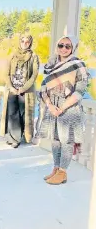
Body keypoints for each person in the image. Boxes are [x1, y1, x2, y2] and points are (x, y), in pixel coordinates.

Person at [39, 35, 89, 185]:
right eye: (61, 45)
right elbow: (43, 88)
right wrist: (49, 105)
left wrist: (61, 107)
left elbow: (80, 91)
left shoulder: (78, 65)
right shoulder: (50, 65)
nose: (64, 49)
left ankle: (63, 172)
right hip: (52, 106)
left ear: (73, 48)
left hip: (69, 108)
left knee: (66, 141)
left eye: (68, 46)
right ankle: (56, 168)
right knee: (55, 140)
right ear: (57, 47)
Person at [1, 35, 39, 148]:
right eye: (22, 41)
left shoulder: (33, 56)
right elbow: (6, 74)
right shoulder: (12, 55)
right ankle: (14, 139)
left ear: (30, 43)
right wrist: (11, 87)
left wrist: (23, 88)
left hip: (25, 91)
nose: (24, 43)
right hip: (12, 89)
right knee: (12, 113)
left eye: (27, 42)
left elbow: (34, 75)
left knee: (23, 114)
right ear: (19, 42)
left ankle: (20, 136)